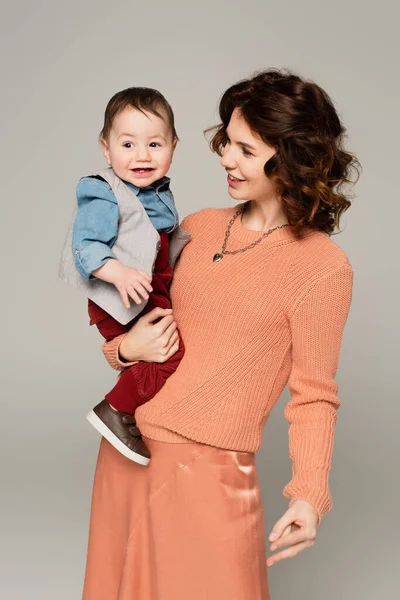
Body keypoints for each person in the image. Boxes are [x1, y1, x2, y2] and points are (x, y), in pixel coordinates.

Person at [82, 69, 359, 600]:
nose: (227, 159)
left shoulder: (323, 268)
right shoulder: (197, 225)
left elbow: (315, 395)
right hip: (129, 449)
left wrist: (308, 495)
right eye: (227, 142)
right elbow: (132, 316)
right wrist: (123, 350)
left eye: (247, 150)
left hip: (211, 470)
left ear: (294, 158)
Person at [59, 87, 190, 465]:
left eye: (154, 144)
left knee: (165, 352)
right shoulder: (102, 191)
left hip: (149, 290)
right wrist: (116, 272)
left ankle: (134, 411)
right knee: (170, 354)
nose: (143, 156)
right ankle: (116, 409)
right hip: (120, 299)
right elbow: (86, 246)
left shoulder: (158, 191)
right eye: (128, 145)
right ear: (106, 148)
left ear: (173, 147)